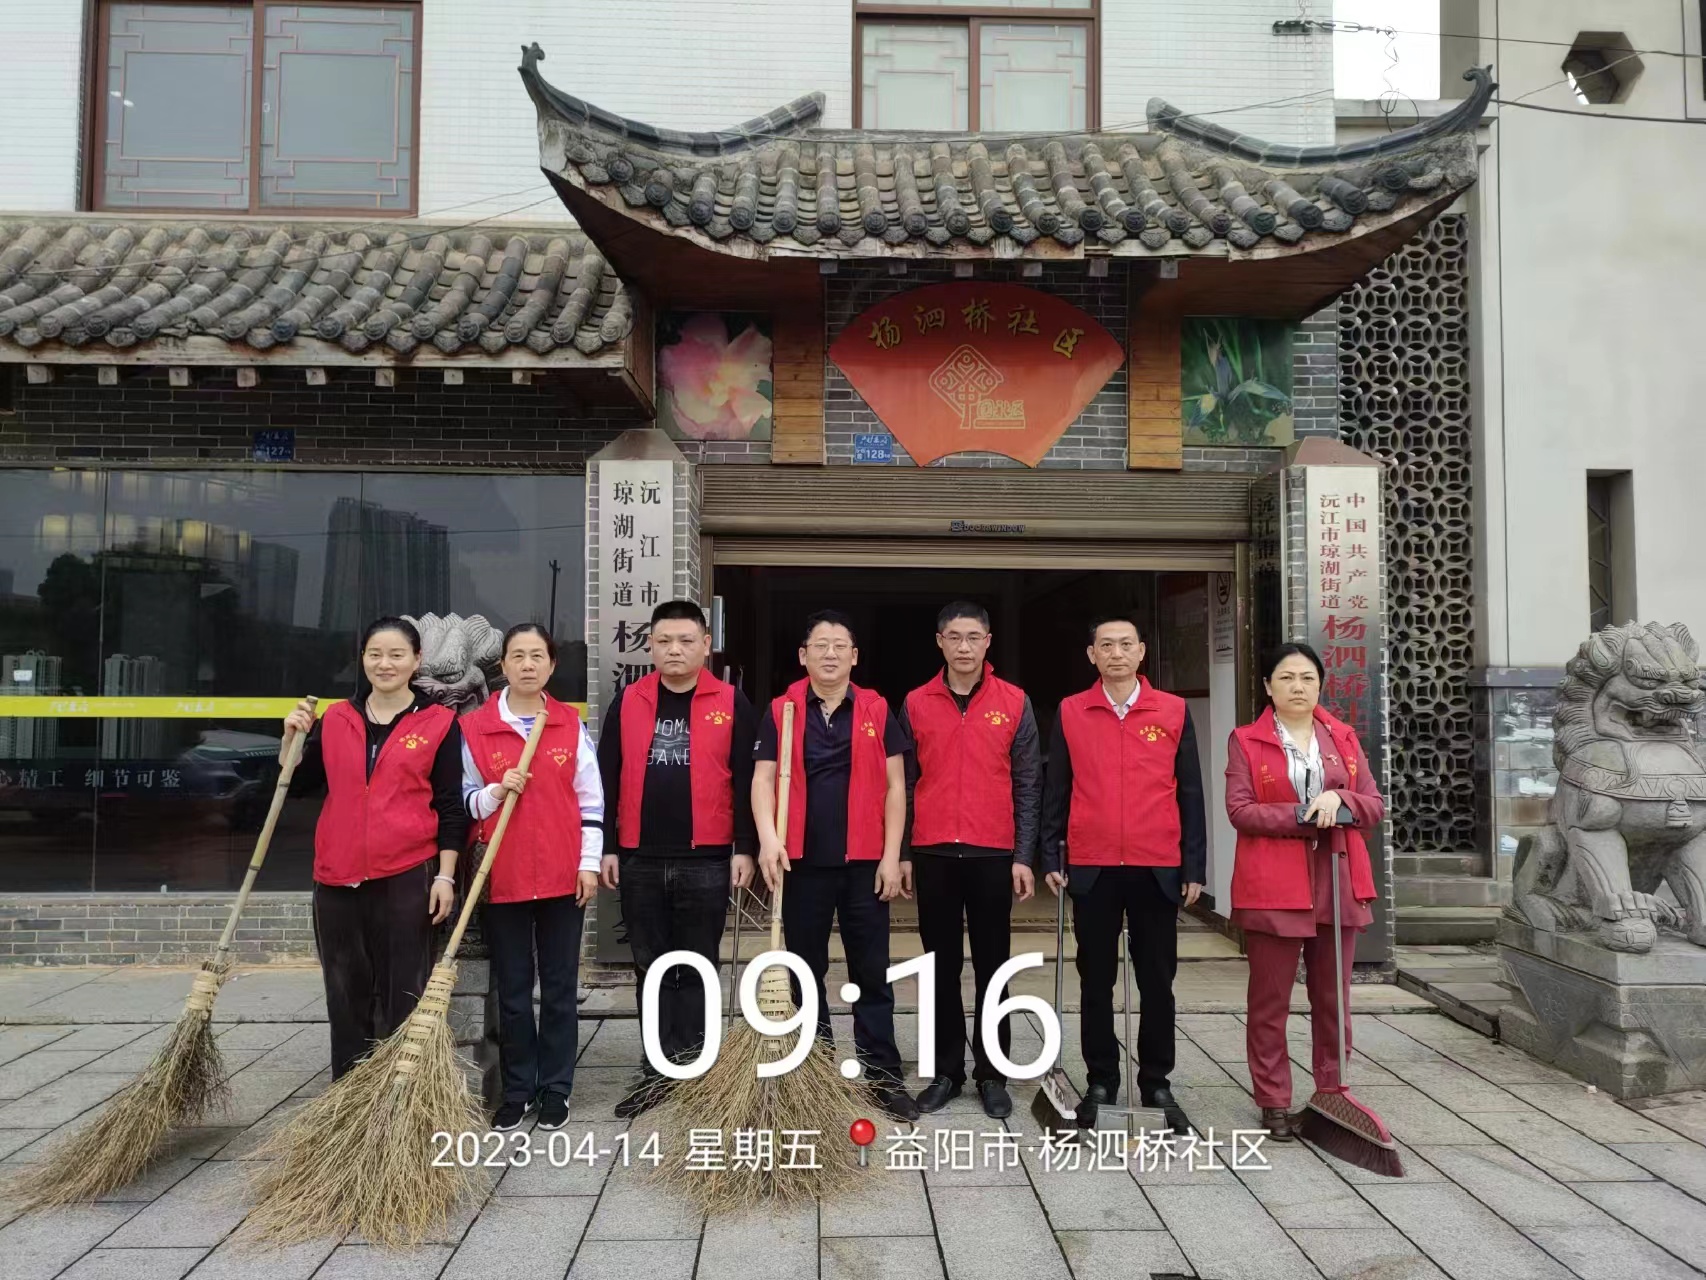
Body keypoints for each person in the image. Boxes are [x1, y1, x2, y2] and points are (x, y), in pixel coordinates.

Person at [1040, 613, 1206, 1131]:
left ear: (1141, 651)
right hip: (1092, 865)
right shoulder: (1072, 710)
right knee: (1096, 980)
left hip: (1157, 864)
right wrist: (1051, 856)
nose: (1116, 653)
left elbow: (1191, 793)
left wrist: (1194, 865)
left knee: (1158, 980)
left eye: (1126, 644)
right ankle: (1101, 1079)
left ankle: (1156, 1080)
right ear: (1092, 655)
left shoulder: (1172, 710)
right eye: (1106, 645)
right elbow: (1056, 788)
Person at [754, 610, 919, 1121]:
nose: (830, 653)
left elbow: (896, 787)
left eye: (839, 645)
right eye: (820, 645)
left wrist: (891, 855)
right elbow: (762, 780)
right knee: (805, 970)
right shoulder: (781, 709)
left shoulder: (875, 708)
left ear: (854, 656)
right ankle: (816, 1072)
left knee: (872, 971)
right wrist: (768, 840)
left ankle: (882, 1074)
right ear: (803, 656)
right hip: (801, 863)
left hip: (863, 863)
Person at [596, 600, 758, 1119]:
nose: (674, 650)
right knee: (651, 966)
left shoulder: (731, 701)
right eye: (664, 641)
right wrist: (607, 845)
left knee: (698, 965)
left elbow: (748, 780)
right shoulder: (630, 700)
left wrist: (745, 847)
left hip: (705, 857)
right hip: (639, 856)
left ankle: (697, 1066)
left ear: (706, 645)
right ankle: (656, 1069)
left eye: (686, 640)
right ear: (650, 645)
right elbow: (606, 775)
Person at [285, 617, 465, 1081]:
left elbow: (450, 806)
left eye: (396, 655)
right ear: (363, 659)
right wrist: (290, 740)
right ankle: (350, 1092)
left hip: (406, 873)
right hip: (336, 875)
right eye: (375, 654)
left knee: (405, 990)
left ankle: (402, 1090)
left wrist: (445, 876)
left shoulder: (439, 723)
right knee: (345, 991)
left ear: (416, 660)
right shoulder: (335, 719)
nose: (385, 664)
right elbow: (297, 785)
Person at [1226, 642, 1383, 1140]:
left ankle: (1332, 1092)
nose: (1298, 687)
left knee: (1333, 998)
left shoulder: (1343, 737)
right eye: (1287, 677)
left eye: (1308, 678)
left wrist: (1340, 798)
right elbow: (1240, 810)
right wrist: (1303, 813)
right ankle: (1273, 1099)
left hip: (1336, 875)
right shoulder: (1246, 741)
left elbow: (1374, 805)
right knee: (1269, 1000)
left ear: (1320, 685)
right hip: (1273, 883)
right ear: (1268, 686)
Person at [897, 601, 1041, 1119]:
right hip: (933, 850)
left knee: (993, 964)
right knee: (939, 965)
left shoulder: (1014, 701)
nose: (964, 647)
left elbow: (1028, 783)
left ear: (987, 642)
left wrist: (1023, 855)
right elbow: (903, 784)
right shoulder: (916, 702)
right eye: (954, 637)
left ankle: (992, 1073)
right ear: (940, 642)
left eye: (973, 637)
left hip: (992, 852)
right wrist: (903, 852)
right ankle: (946, 1072)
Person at [460, 623, 603, 1131]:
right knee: (515, 992)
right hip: (505, 876)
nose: (527, 664)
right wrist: (496, 792)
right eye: (517, 655)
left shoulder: (568, 723)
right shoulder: (475, 728)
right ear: (502, 665)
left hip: (564, 877)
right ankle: (518, 1089)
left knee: (560, 989)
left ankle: (556, 1088)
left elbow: (591, 801)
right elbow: (465, 802)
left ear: (551, 664)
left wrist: (588, 864)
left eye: (537, 655)